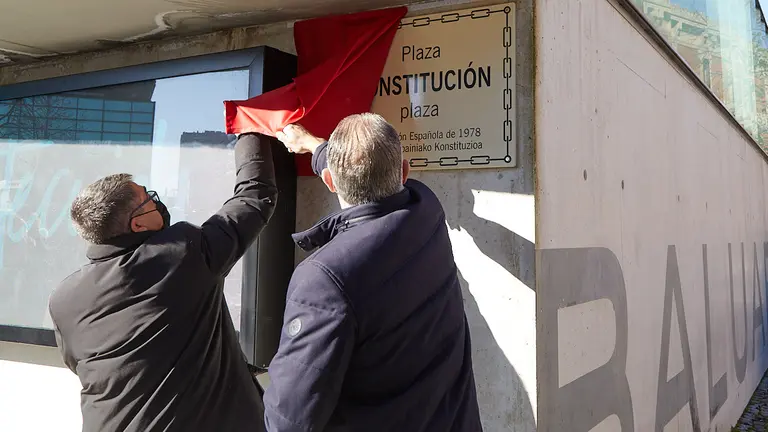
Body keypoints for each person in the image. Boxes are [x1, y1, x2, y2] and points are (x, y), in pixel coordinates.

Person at [265, 114, 482, 431]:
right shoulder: (428, 209)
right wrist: (311, 144)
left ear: (328, 182)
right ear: (404, 171)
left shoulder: (324, 278)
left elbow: (289, 419)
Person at [48, 133, 277, 432]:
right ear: (138, 224)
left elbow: (83, 363)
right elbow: (254, 197)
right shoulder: (180, 254)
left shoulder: (63, 299)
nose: (157, 202)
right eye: (148, 199)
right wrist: (251, 128)